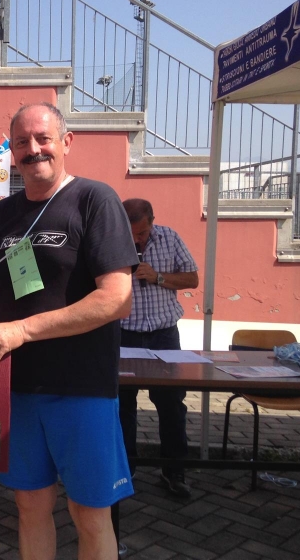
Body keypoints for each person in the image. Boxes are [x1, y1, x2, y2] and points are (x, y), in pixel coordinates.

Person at [0, 102, 137, 560]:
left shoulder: (95, 200)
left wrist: (21, 330)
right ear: (12, 152)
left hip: (82, 388)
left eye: (43, 138)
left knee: (89, 514)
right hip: (15, 387)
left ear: (66, 142)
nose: (33, 149)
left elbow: (116, 298)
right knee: (29, 506)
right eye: (22, 142)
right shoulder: (1, 215)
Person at [117, 198, 199, 498]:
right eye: (131, 234)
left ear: (152, 221)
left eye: (141, 233)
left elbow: (192, 278)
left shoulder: (170, 238)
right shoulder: (111, 240)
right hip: (123, 334)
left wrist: (157, 277)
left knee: (171, 403)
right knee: (122, 405)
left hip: (164, 336)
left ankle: (173, 470)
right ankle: (125, 469)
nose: (137, 240)